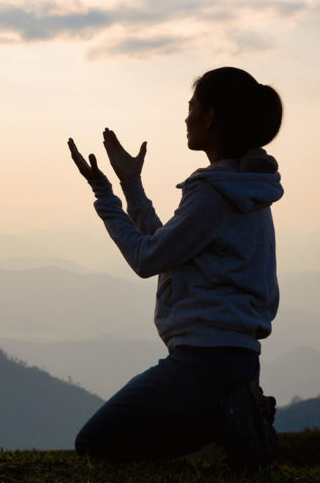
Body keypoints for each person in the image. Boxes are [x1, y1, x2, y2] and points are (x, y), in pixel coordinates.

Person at [66, 66, 283, 466]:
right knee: (120, 437)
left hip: (203, 363)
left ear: (210, 117)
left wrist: (105, 195)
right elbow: (169, 247)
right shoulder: (243, 189)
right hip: (233, 360)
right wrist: (132, 185)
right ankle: (230, 419)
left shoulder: (214, 193)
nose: (186, 118)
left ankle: (222, 433)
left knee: (95, 442)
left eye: (192, 108)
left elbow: (146, 259)